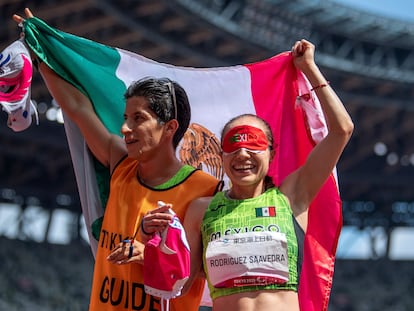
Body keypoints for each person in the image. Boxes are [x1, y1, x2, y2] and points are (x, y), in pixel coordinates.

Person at [13, 8, 222, 311]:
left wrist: (150, 250)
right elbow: (75, 106)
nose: (125, 128)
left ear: (170, 128)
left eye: (139, 119)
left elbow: (195, 279)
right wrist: (40, 47)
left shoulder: (206, 191)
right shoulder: (120, 161)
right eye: (125, 118)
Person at [182, 39, 354, 311]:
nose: (243, 155)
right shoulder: (200, 211)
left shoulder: (292, 197)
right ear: (222, 156)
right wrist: (149, 247)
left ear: (271, 155)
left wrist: (309, 68)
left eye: (254, 145)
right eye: (233, 147)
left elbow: (341, 131)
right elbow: (181, 282)